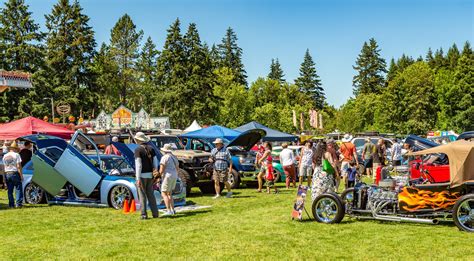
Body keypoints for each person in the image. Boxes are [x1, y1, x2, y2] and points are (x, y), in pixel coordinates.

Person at [134, 132, 159, 220]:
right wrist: (155, 173)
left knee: (142, 196)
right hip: (151, 175)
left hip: (142, 175)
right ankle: (155, 214)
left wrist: (137, 178)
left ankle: (144, 214)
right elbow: (156, 162)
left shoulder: (138, 150)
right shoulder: (151, 149)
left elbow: (138, 165)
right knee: (151, 195)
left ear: (138, 140)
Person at [160, 144, 179, 215]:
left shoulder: (164, 157)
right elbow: (177, 168)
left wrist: (158, 176)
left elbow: (161, 169)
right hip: (174, 175)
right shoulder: (174, 157)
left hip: (167, 176)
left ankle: (168, 210)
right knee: (169, 193)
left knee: (164, 193)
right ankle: (172, 210)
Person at [3, 142, 24, 208]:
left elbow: (4, 167)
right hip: (14, 173)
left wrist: (4, 178)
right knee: (18, 189)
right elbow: (18, 166)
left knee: (10, 190)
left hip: (7, 173)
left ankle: (11, 205)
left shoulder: (5, 156)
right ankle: (18, 204)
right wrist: (21, 175)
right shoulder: (16, 155)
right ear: (15, 148)